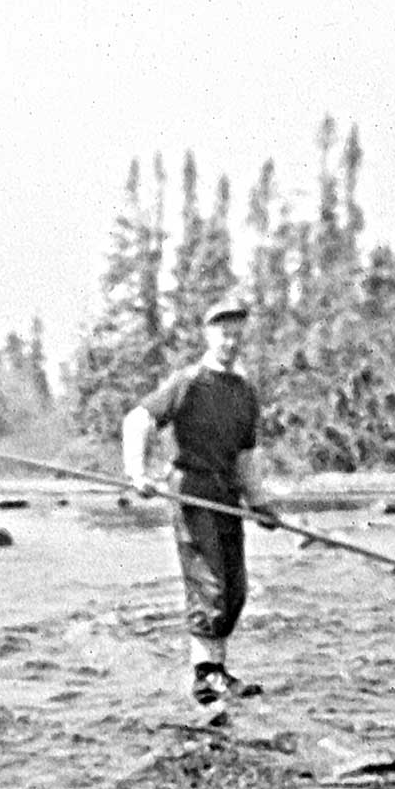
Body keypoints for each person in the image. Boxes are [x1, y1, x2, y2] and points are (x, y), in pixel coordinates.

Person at [122, 293, 281, 706]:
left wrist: (259, 502)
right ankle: (204, 675)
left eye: (236, 335)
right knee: (209, 584)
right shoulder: (188, 382)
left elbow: (246, 456)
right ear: (209, 336)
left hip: (227, 494)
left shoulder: (245, 393)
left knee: (235, 589)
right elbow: (138, 420)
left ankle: (219, 670)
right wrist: (137, 473)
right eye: (223, 334)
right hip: (192, 492)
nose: (230, 342)